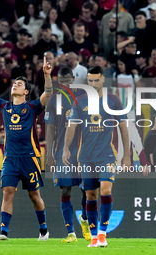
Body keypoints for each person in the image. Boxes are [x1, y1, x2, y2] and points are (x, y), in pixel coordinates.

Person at [0, 55, 53, 240]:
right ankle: (4, 232)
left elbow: (48, 94)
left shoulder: (32, 107)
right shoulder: (4, 106)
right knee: (7, 192)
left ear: (26, 92)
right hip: (10, 158)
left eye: (20, 84)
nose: (15, 85)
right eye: (15, 83)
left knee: (34, 195)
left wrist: (47, 75)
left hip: (30, 157)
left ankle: (44, 230)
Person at [62, 66, 131, 247]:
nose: (93, 83)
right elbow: (72, 127)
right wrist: (66, 149)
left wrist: (126, 155)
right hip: (85, 156)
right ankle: (93, 237)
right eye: (90, 81)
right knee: (90, 194)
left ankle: (102, 234)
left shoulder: (114, 101)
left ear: (103, 80)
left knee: (106, 190)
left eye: (96, 80)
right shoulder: (80, 102)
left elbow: (123, 128)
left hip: (106, 154)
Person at [45, 66, 91, 243]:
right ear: (58, 80)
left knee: (87, 190)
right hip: (62, 152)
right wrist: (48, 154)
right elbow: (50, 129)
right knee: (65, 190)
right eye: (62, 81)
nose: (65, 83)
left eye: (67, 80)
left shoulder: (83, 97)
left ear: (73, 78)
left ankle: (85, 219)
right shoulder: (53, 100)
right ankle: (71, 232)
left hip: (83, 151)